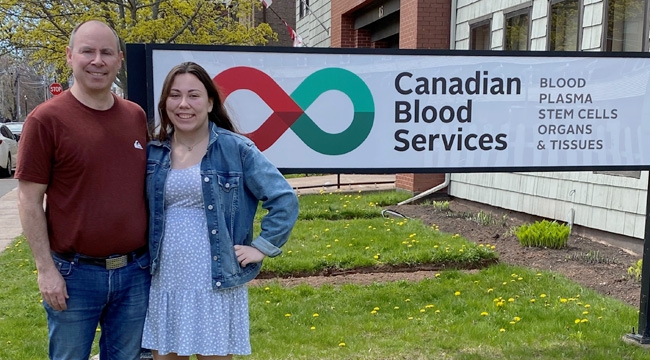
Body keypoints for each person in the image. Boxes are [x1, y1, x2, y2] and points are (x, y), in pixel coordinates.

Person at [143, 61, 299, 359]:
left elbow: (283, 199)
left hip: (215, 280)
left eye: (194, 95)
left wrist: (262, 247)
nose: (184, 104)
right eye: (175, 96)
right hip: (165, 280)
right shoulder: (154, 152)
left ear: (210, 101)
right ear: (165, 103)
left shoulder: (236, 149)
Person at [15, 20, 151, 360]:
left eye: (106, 52)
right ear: (70, 56)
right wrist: (46, 270)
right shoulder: (45, 120)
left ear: (119, 59)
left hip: (135, 273)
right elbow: (29, 199)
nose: (97, 60)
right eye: (87, 51)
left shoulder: (135, 116)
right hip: (74, 275)